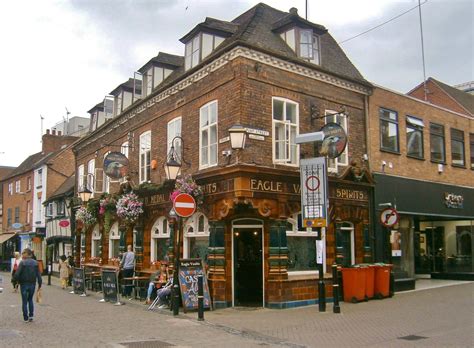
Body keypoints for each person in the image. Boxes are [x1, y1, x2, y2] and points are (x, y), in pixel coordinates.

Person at [13, 248, 42, 322]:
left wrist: (15, 281)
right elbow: (38, 275)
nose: (22, 254)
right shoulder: (35, 263)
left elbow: (17, 274)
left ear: (27, 254)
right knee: (30, 300)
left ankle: (25, 317)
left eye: (24, 253)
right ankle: (31, 315)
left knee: (24, 301)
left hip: (24, 284)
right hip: (32, 284)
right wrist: (39, 284)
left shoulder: (22, 263)